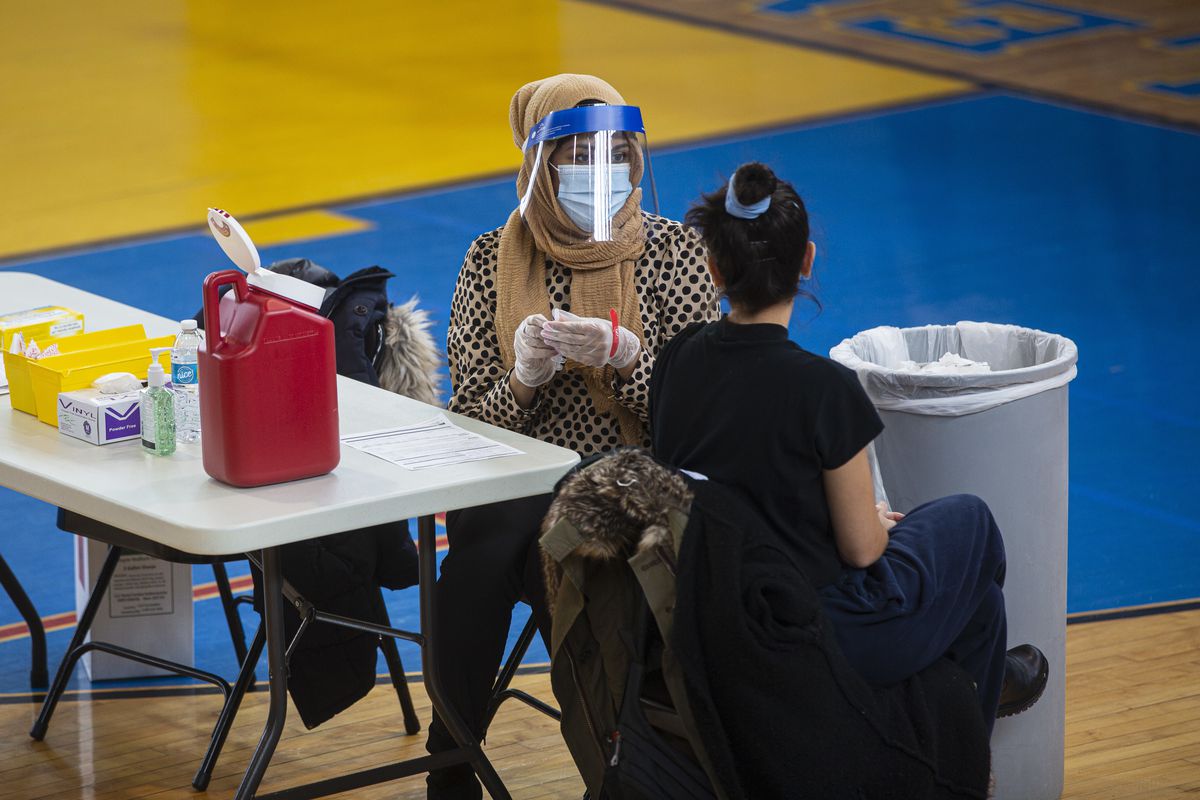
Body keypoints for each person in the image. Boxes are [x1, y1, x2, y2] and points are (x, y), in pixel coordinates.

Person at [648, 161, 1047, 736]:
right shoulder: (823, 389)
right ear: (806, 260)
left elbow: (729, 487)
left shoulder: (676, 358)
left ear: (713, 269)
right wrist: (872, 523)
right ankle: (956, 721)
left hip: (717, 613)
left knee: (983, 606)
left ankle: (968, 718)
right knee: (971, 522)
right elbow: (862, 550)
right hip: (815, 630)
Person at [429, 73, 719, 799]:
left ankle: (625, 763)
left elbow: (697, 418)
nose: (604, 171)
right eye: (580, 155)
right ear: (538, 164)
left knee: (589, 552)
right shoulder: (487, 261)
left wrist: (624, 361)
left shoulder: (677, 254)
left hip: (634, 483)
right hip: (519, 487)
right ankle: (451, 756)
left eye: (618, 151)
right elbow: (469, 427)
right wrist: (524, 376)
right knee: (483, 548)